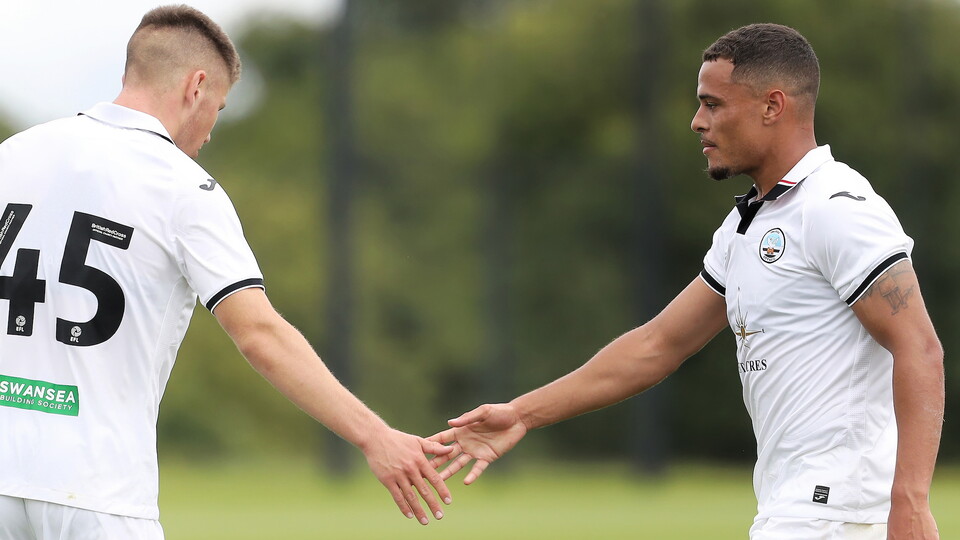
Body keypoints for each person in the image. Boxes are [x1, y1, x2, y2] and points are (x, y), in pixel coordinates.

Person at [430, 23, 944, 540]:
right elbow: (658, 345)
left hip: (841, 514)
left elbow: (919, 347)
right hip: (796, 509)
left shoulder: (836, 207)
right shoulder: (748, 224)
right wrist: (522, 414)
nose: (697, 122)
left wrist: (911, 501)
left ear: (772, 106)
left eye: (713, 104)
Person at [0, 5, 450, 538]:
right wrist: (375, 437)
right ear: (196, 86)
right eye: (219, 105)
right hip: (96, 489)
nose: (211, 130)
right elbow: (260, 335)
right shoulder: (183, 187)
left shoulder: (15, 154)